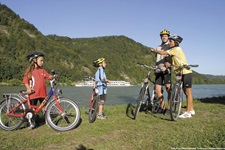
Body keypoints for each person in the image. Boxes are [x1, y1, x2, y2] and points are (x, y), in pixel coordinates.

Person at [150, 34, 195, 118]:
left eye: (171, 41)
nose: (170, 42)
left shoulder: (176, 49)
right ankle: (191, 110)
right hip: (180, 73)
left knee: (188, 93)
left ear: (176, 42)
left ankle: (188, 112)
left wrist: (154, 51)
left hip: (186, 72)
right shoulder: (174, 49)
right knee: (186, 92)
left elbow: (163, 52)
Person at [23, 51, 54, 128]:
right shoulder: (30, 71)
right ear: (34, 61)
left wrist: (53, 76)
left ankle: (48, 121)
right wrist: (28, 88)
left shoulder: (42, 70)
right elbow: (25, 81)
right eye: (41, 60)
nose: (42, 62)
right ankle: (31, 122)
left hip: (42, 93)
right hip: (34, 94)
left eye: (43, 61)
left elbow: (48, 76)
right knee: (33, 110)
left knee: (44, 108)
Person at [154, 29, 172, 115]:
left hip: (166, 70)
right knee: (158, 90)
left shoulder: (170, 46)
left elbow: (172, 57)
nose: (164, 37)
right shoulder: (158, 47)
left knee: (168, 89)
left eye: (166, 36)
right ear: (161, 37)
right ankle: (163, 108)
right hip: (158, 70)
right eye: (163, 36)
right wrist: (156, 66)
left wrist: (167, 64)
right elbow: (157, 59)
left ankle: (169, 108)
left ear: (168, 37)